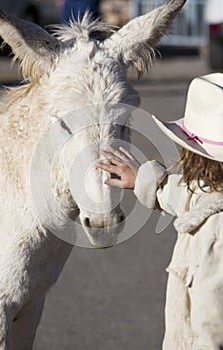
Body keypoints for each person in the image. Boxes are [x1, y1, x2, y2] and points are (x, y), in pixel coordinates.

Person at [96, 73, 223, 349]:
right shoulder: (211, 200)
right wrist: (147, 179)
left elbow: (212, 332)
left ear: (193, 153)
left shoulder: (216, 231)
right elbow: (192, 197)